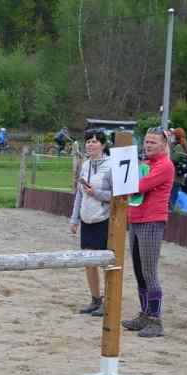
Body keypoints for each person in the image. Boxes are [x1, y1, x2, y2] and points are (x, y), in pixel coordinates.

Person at [122, 128, 174, 338]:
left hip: (152, 221)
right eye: (146, 141)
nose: (148, 145)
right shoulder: (145, 164)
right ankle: (144, 313)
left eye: (153, 142)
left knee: (149, 271)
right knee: (139, 271)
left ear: (163, 145)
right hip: (136, 219)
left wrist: (123, 181)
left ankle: (155, 319)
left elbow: (138, 186)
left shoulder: (164, 166)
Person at [70, 128, 113, 316]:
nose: (91, 144)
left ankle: (109, 301)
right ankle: (95, 299)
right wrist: (74, 219)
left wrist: (96, 193)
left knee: (105, 263)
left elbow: (117, 196)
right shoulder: (85, 164)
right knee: (88, 262)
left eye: (95, 141)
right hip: (87, 218)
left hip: (103, 219)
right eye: (88, 141)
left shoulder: (111, 166)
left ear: (103, 145)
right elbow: (79, 193)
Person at [169, 128, 187, 212]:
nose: (171, 136)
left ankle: (171, 214)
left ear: (176, 136)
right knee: (172, 197)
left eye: (173, 135)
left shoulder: (178, 146)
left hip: (176, 177)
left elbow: (172, 158)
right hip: (178, 177)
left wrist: (169, 148)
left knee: (171, 200)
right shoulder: (182, 145)